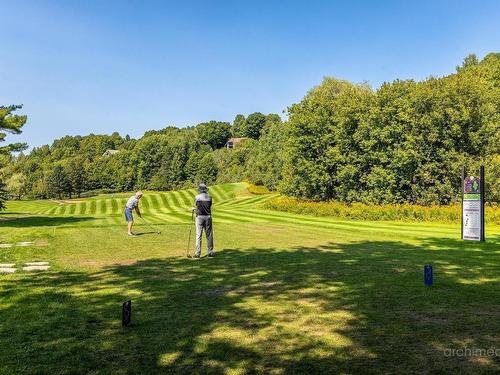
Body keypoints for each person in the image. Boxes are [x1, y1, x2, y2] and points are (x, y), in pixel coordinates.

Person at [193, 183, 214, 258]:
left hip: (199, 217)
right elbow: (209, 206)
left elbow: (197, 206)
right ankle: (210, 252)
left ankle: (197, 254)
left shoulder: (197, 197)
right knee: (209, 235)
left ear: (200, 190)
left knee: (198, 235)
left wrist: (194, 209)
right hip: (208, 216)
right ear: (205, 190)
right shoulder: (210, 197)